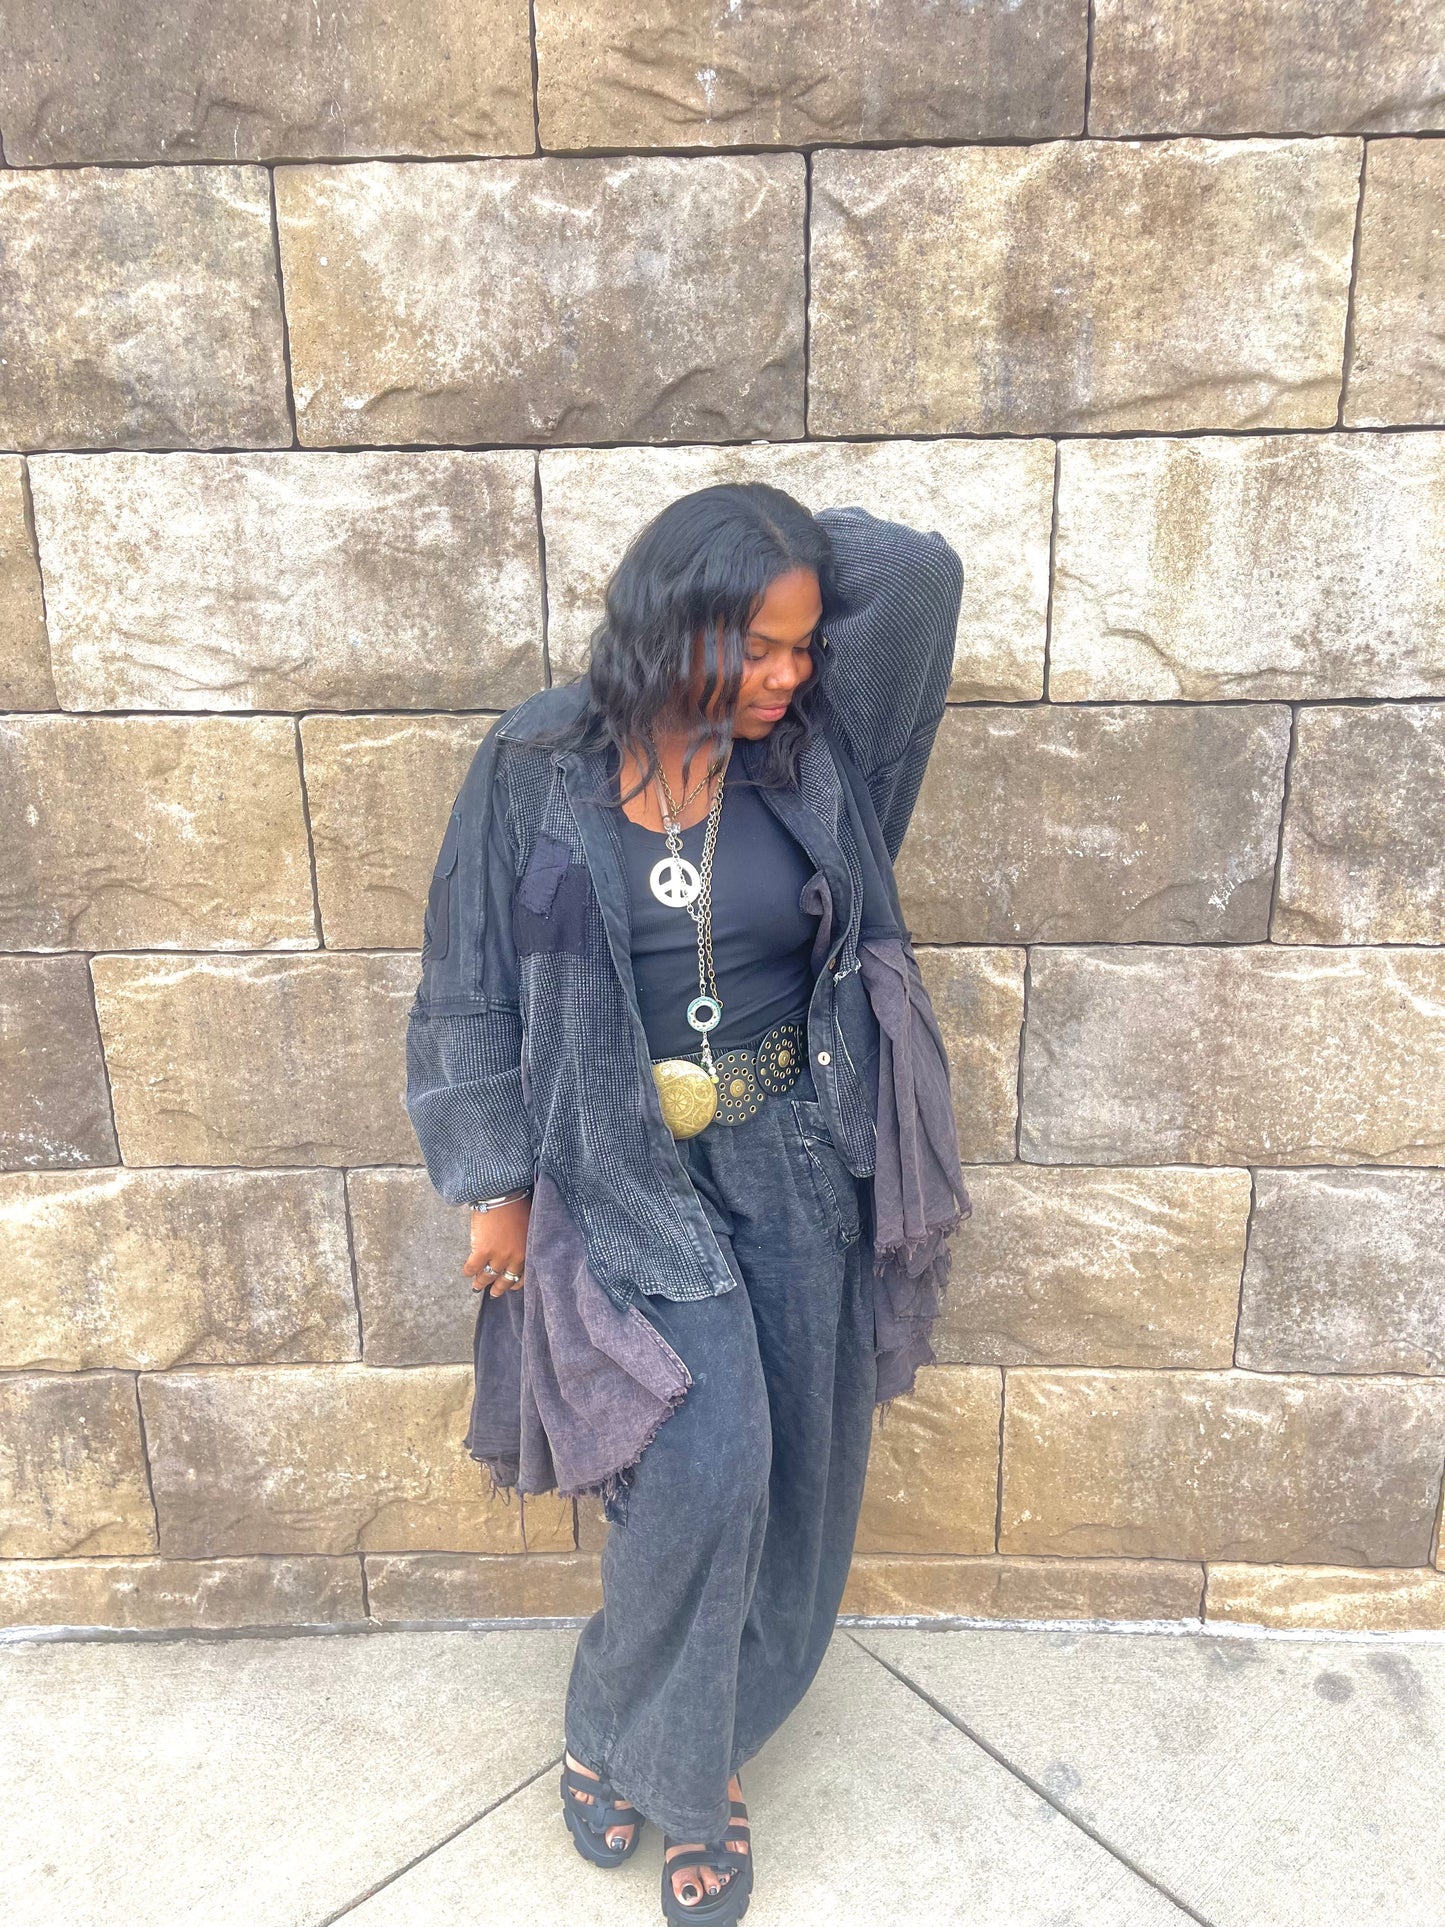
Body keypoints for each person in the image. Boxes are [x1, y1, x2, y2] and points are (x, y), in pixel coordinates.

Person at [405, 482, 970, 1923]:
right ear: (672, 622)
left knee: (800, 1480)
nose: (788, 673)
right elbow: (465, 983)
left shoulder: (821, 750)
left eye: (802, 643)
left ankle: (690, 1751)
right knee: (707, 1464)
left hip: (797, 1146)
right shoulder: (535, 760)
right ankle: (633, 1720)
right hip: (619, 1163)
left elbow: (915, 577)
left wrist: (776, 551)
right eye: (756, 644)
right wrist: (493, 1186)